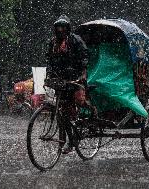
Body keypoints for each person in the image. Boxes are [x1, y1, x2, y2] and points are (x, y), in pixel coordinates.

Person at [45, 15, 89, 154]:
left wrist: (81, 72)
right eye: (58, 28)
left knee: (76, 105)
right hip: (61, 80)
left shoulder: (75, 40)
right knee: (62, 113)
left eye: (63, 28)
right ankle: (65, 141)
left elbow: (84, 57)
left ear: (67, 28)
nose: (60, 30)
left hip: (75, 78)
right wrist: (49, 74)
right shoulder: (53, 43)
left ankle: (79, 128)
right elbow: (50, 60)